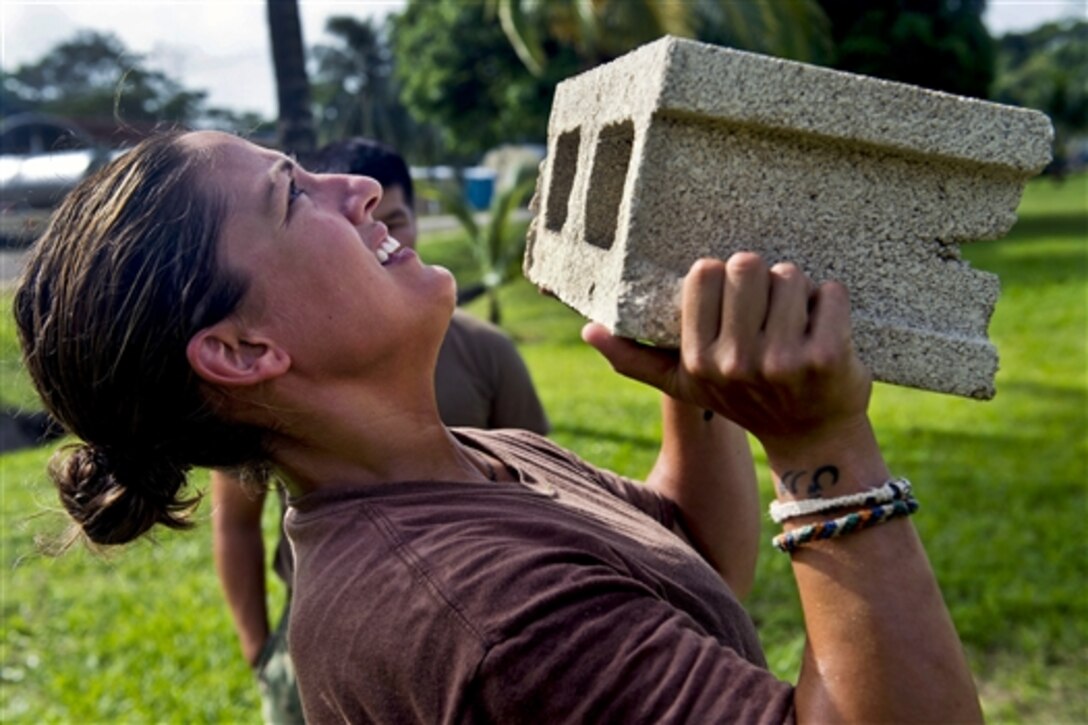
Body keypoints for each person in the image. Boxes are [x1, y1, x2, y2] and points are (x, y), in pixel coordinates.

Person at [14, 129, 983, 723]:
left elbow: (690, 553)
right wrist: (824, 454)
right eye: (291, 193)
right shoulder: (470, 616)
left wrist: (694, 392)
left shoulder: (455, 461)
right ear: (240, 348)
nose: (357, 191)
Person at [210, 137, 549, 724]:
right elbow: (236, 522)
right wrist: (259, 648)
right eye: (295, 197)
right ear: (245, 353)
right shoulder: (267, 403)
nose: (369, 216)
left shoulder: (487, 355)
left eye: (395, 218)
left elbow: (552, 493)